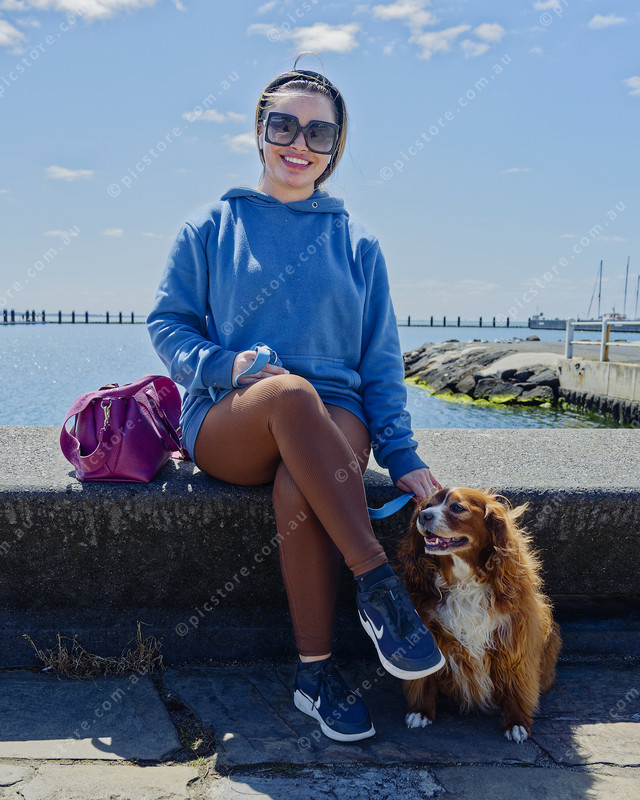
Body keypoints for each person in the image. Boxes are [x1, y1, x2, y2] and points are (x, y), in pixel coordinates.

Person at [147, 56, 445, 743]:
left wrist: (401, 453)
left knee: (300, 480)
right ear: (259, 131)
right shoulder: (210, 227)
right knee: (288, 392)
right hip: (233, 417)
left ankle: (315, 676)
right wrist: (223, 365)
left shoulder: (359, 243)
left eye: (319, 133)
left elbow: (379, 360)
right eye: (284, 125)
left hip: (335, 416)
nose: (299, 144)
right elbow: (168, 325)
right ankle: (379, 589)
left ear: (335, 148)